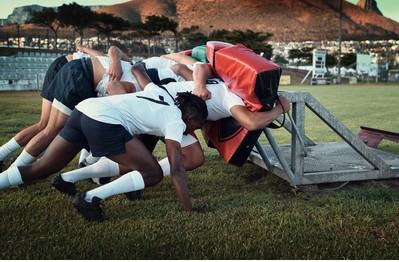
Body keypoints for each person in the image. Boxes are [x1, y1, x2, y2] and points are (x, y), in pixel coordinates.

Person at [50, 62, 290, 197]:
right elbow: (251, 122)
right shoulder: (232, 97)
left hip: (165, 106)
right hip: (170, 113)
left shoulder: (224, 82)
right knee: (164, 161)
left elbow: (194, 67)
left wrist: (197, 84)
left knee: (178, 158)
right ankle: (96, 191)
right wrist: (280, 108)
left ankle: (69, 177)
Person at [0, 77, 208, 222]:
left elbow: (145, 81)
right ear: (190, 118)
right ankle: (89, 199)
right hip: (103, 121)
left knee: (42, 167)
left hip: (84, 109)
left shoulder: (159, 93)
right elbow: (177, 168)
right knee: (153, 173)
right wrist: (190, 209)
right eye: (196, 127)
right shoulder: (176, 121)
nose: (192, 132)